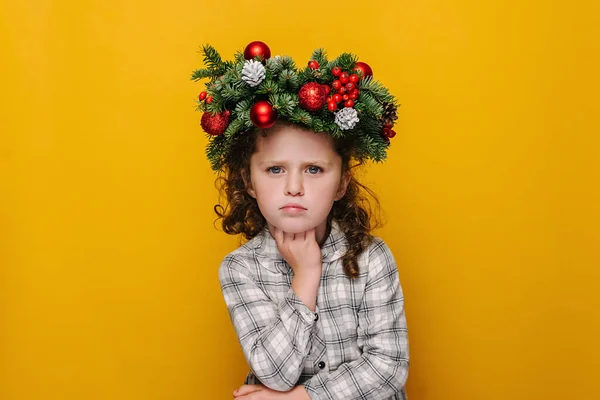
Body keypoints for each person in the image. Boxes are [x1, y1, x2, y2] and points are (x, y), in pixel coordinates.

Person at [192, 42, 408, 399]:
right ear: (248, 181)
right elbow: (274, 374)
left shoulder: (372, 258)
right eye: (275, 169)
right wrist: (306, 276)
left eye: (313, 169)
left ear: (341, 183)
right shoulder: (241, 268)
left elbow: (388, 367)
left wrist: (301, 398)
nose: (294, 187)